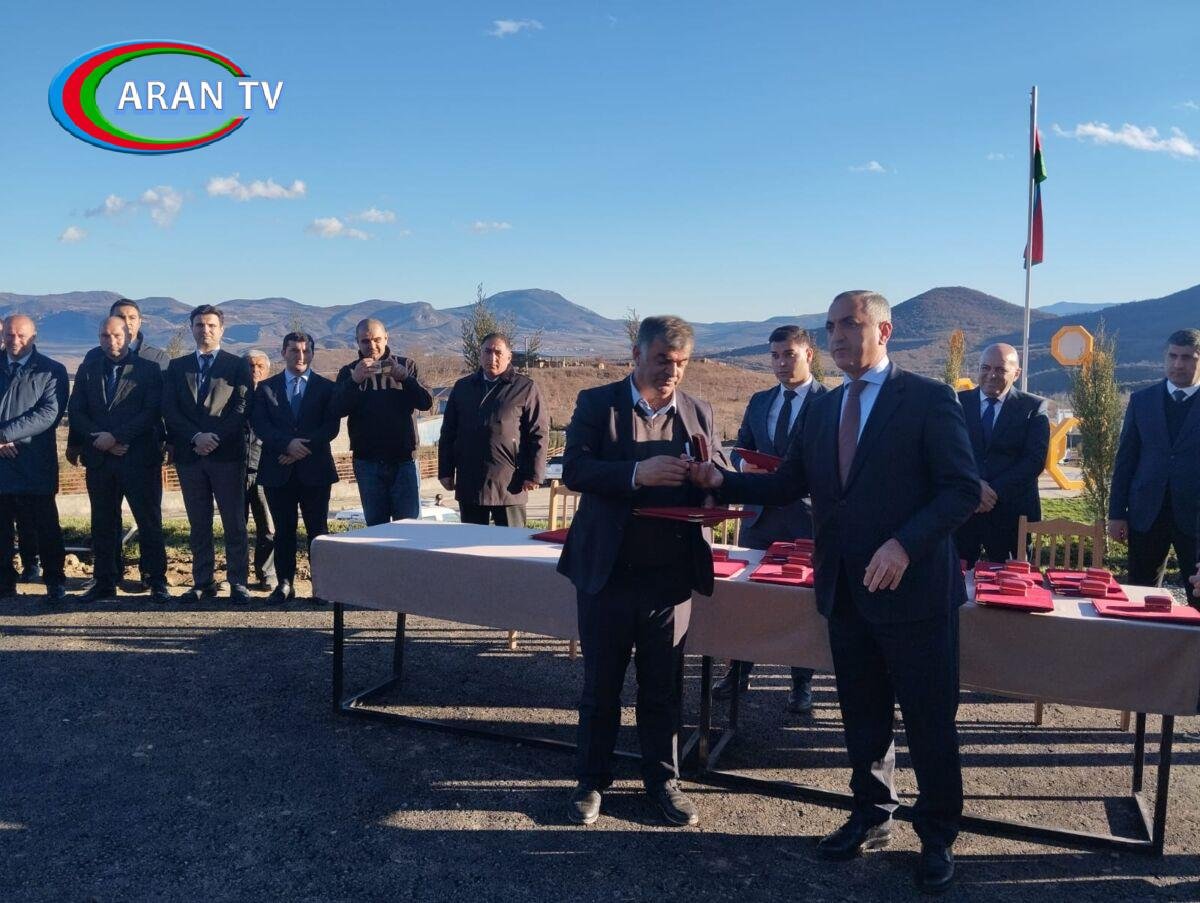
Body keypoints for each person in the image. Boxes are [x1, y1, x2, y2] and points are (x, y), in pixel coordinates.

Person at [691, 292, 979, 893]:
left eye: (851, 324)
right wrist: (723, 481)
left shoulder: (928, 399)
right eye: (830, 327)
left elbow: (960, 490)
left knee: (928, 720)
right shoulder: (823, 409)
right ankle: (871, 814)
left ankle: (937, 835)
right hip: (846, 590)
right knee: (863, 715)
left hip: (915, 594)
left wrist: (904, 545)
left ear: (884, 330)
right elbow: (789, 483)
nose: (838, 336)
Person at [558, 315, 717, 829]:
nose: (673, 372)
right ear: (636, 355)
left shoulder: (698, 412)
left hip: (670, 579)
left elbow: (716, 476)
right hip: (608, 574)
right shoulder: (597, 403)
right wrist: (635, 474)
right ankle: (591, 781)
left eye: (682, 363)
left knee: (663, 688)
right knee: (601, 686)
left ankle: (663, 781)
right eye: (663, 360)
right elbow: (575, 469)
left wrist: (712, 483)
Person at [715, 325, 828, 712]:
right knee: (747, 598)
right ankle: (738, 672)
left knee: (802, 605)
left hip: (805, 518)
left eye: (789, 355)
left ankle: (801, 683)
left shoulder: (830, 402)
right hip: (759, 519)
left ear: (808, 355)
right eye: (775, 356)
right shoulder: (761, 400)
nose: (781, 363)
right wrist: (743, 464)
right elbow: (739, 448)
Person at [69, 298, 171, 589]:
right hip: (101, 459)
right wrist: (100, 439)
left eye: (117, 335)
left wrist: (117, 437)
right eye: (105, 335)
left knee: (148, 520)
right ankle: (105, 579)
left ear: (129, 335)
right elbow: (77, 411)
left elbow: (151, 411)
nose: (111, 340)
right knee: (103, 521)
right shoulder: (88, 368)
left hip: (139, 457)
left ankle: (155, 579)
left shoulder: (149, 368)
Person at [162, 305, 253, 604]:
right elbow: (169, 408)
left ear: (222, 330)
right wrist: (195, 437)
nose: (206, 330)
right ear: (191, 328)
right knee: (198, 523)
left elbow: (242, 406)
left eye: (212, 325)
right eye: (200, 325)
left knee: (234, 522)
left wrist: (215, 437)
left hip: (226, 455)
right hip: (191, 456)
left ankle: (238, 581)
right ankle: (203, 582)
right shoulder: (177, 366)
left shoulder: (236, 365)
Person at [1109, 328, 1200, 606]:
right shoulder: (1142, 401)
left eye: (1187, 357)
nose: (1178, 364)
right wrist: (1117, 513)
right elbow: (1126, 460)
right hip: (1146, 514)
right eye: (1173, 356)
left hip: (1195, 518)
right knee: (1140, 597)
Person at [250, 332, 339, 605]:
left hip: (315, 471)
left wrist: (300, 449)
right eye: (294, 351)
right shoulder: (266, 388)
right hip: (278, 470)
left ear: (312, 353)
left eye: (305, 351)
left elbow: (330, 427)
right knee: (283, 530)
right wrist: (287, 445)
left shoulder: (327, 388)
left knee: (318, 531)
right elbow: (260, 425)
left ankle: (321, 587)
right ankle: (285, 584)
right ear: (283, 352)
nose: (300, 356)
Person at [954, 344, 1050, 566]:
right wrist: (974, 487)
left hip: (1011, 516)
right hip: (964, 512)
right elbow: (947, 452)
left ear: (1016, 373)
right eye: (985, 368)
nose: (991, 375)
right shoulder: (956, 403)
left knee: (1010, 583)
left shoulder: (1033, 407)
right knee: (955, 581)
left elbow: (1034, 461)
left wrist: (992, 492)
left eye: (1000, 369)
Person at [438, 333, 547, 527]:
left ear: (509, 356)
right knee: (470, 543)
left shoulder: (525, 388)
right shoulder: (463, 387)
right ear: (480, 354)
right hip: (470, 480)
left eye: (498, 352)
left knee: (511, 542)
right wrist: (445, 471)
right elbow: (448, 432)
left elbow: (538, 433)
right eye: (487, 351)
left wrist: (534, 474)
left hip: (510, 482)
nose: (492, 357)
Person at [335, 319, 433, 525]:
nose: (372, 345)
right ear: (357, 342)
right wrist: (354, 381)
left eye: (377, 340)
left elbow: (426, 402)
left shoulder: (407, 365)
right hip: (367, 462)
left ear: (386, 338)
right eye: (365, 341)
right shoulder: (349, 371)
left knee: (409, 527)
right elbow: (337, 409)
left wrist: (406, 379)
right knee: (376, 528)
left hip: (404, 460)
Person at [0, 315, 70, 601]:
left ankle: (54, 581)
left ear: (34, 337)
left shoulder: (51, 370)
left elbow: (48, 413)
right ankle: (4, 584)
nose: (14, 340)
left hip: (34, 461)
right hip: (1, 464)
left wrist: (4, 435)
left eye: (21, 335)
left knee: (45, 526)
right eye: (9, 334)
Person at [244, 350, 277, 590]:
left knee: (267, 526)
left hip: (264, 469)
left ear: (267, 370)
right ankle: (237, 575)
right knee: (236, 527)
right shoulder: (231, 395)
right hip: (236, 469)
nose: (255, 371)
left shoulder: (273, 395)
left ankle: (267, 573)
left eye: (259, 366)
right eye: (250, 366)